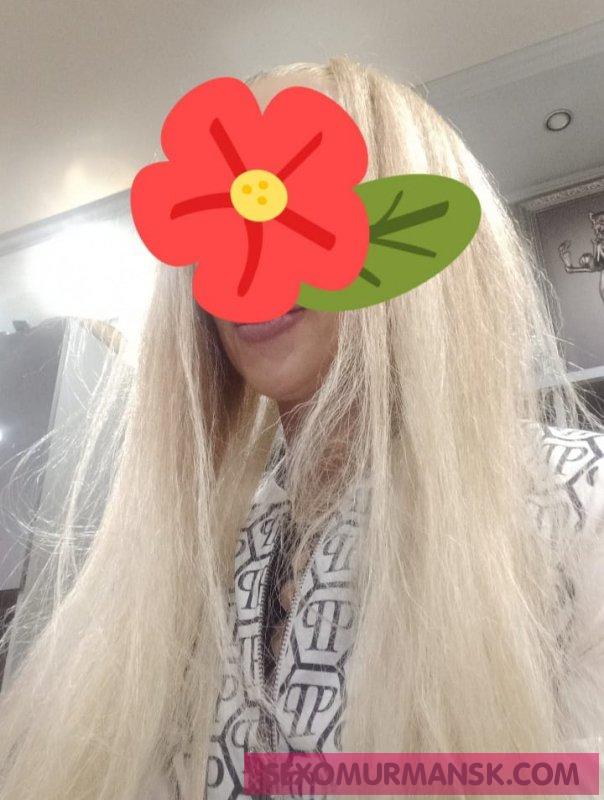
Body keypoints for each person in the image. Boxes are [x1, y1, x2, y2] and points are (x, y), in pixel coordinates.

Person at [0, 56, 603, 800]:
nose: (251, 252)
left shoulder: (579, 501)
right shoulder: (194, 563)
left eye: (299, 199)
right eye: (220, 212)